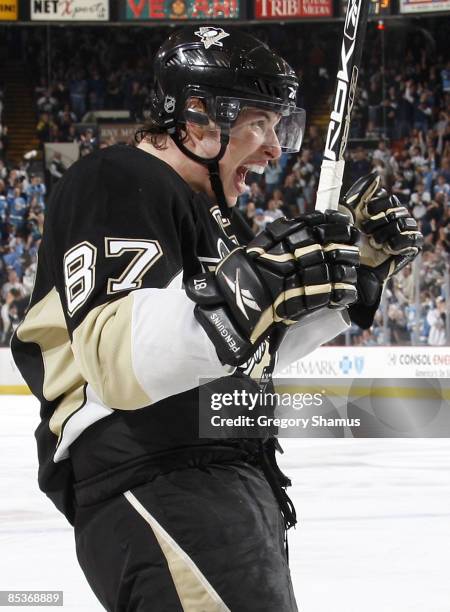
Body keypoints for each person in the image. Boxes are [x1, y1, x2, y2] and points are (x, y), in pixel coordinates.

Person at [11, 26, 422, 611]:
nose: (276, 148)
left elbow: (246, 351)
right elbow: (113, 358)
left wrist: (356, 271)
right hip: (158, 475)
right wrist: (255, 283)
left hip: (219, 477)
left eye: (281, 126)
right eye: (260, 123)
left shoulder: (216, 220)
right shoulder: (118, 178)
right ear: (199, 118)